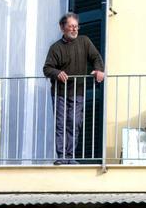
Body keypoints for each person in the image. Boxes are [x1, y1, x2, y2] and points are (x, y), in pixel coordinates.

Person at [42, 12, 105, 164]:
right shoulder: (55, 48)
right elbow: (47, 69)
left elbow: (96, 57)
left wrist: (99, 70)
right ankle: (62, 157)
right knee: (61, 124)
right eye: (70, 26)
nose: (74, 29)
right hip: (60, 93)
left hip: (78, 92)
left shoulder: (84, 41)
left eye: (76, 27)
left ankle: (69, 157)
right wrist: (57, 73)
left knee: (74, 123)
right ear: (62, 28)